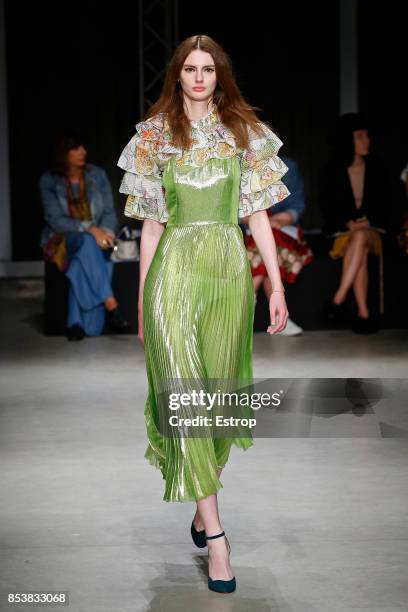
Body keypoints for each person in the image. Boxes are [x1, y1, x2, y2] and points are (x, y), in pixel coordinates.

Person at [117, 34, 290, 593]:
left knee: (216, 402)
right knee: (185, 393)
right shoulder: (153, 138)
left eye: (207, 69)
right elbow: (150, 226)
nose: (198, 77)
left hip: (226, 276)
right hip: (172, 275)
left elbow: (259, 217)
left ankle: (200, 504)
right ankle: (217, 538)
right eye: (190, 68)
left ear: (220, 77)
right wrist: (144, 297)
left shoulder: (245, 136)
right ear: (177, 74)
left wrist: (277, 285)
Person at [39, 133, 130, 340]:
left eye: (83, 148)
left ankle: (75, 322)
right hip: (60, 239)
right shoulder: (49, 180)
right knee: (88, 242)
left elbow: (108, 211)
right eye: (76, 148)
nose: (84, 152)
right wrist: (91, 229)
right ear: (64, 152)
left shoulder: (96, 175)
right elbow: (56, 220)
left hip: (93, 239)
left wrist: (106, 233)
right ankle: (110, 303)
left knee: (85, 255)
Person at [319, 113, 390, 334]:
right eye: (360, 137)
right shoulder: (332, 171)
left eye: (367, 136)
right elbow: (327, 206)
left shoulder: (378, 168)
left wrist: (370, 220)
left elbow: (390, 204)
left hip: (373, 230)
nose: (366, 141)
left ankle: (338, 300)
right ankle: (364, 314)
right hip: (344, 232)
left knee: (360, 238)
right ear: (347, 141)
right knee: (356, 245)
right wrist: (347, 223)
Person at [241, 154, 313, 335]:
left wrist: (275, 221)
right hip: (252, 231)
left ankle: (244, 308)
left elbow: (296, 207)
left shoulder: (287, 165)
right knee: (264, 244)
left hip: (283, 229)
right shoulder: (238, 164)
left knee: (267, 240)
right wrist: (258, 221)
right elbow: (234, 210)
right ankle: (280, 318)